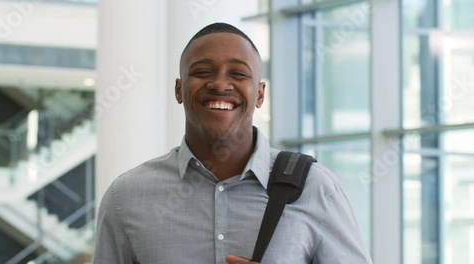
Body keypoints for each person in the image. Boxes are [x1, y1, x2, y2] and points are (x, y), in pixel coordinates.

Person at [93, 22, 372, 264]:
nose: (219, 84)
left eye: (238, 74)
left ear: (260, 93)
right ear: (179, 90)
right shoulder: (125, 198)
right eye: (202, 72)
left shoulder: (317, 189)